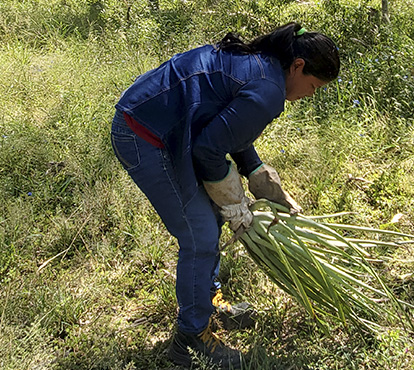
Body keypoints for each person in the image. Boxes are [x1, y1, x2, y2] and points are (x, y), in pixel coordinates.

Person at [111, 22, 340, 369]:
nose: (310, 94)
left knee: (210, 217)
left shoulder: (264, 66)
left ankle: (207, 301)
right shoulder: (268, 90)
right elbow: (207, 150)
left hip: (159, 122)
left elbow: (230, 130)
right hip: (144, 133)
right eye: (313, 86)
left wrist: (256, 175)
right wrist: (234, 202)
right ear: (298, 66)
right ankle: (190, 340)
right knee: (200, 233)